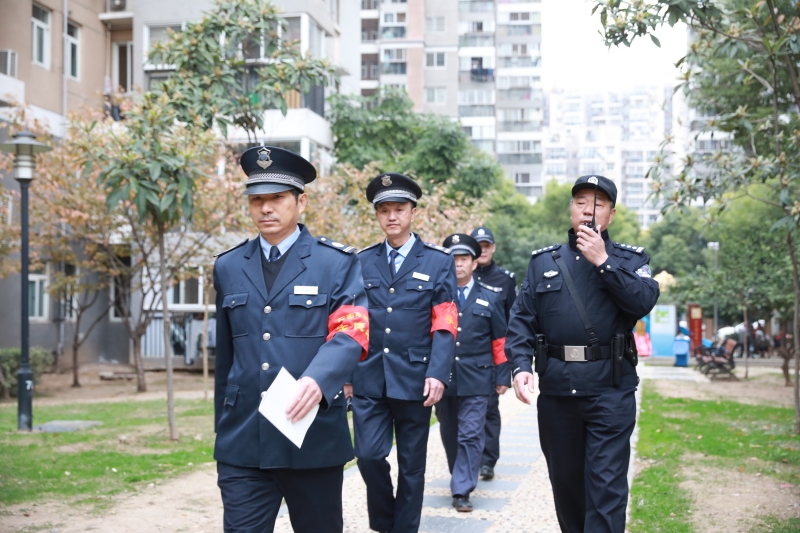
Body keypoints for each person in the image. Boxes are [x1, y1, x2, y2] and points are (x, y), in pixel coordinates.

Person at [213, 146, 369, 533]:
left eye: (277, 198)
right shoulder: (228, 266)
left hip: (311, 436)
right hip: (244, 437)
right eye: (257, 199)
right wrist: (223, 422)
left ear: (301, 202)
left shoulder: (336, 262)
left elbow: (352, 331)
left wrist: (318, 380)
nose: (266, 208)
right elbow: (227, 352)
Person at [507, 175, 659, 533]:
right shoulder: (543, 262)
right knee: (567, 486)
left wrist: (603, 261)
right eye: (580, 203)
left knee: (606, 487)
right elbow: (521, 319)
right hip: (558, 391)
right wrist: (519, 366)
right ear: (571, 209)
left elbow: (643, 301)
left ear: (611, 214)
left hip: (610, 390)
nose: (588, 210)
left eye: (598, 204)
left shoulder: (629, 259)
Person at [346, 173, 458, 533]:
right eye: (384, 210)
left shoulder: (438, 262)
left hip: (415, 378)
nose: (391, 216)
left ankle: (404, 528)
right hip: (369, 377)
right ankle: (384, 522)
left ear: (412, 212)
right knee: (367, 456)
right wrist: (346, 375)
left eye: (399, 209)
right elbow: (353, 321)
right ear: (377, 216)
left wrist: (438, 372)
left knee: (412, 465)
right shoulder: (360, 261)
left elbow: (445, 322)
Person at [435, 233, 509, 512]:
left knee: (470, 433)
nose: (458, 264)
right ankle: (460, 475)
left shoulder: (490, 297)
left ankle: (462, 489)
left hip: (479, 378)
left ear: (474, 263)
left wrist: (503, 375)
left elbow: (499, 339)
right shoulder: (437, 295)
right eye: (453, 259)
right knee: (449, 432)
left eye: (464, 258)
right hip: (444, 377)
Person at [470, 226, 517, 481]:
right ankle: (469, 458)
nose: (483, 250)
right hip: (467, 356)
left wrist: (506, 368)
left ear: (493, 248)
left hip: (492, 357)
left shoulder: (505, 279)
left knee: (489, 409)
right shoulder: (460, 275)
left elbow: (512, 322)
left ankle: (488, 460)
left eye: (487, 246)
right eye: (479, 246)